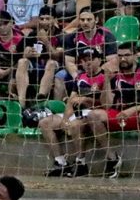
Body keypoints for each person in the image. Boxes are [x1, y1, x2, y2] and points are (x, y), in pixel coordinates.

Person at [85, 43, 140, 180]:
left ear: (135, 56)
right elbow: (106, 104)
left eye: (126, 55)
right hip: (121, 115)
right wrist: (107, 82)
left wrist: (132, 110)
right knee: (93, 115)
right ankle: (112, 158)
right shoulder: (114, 76)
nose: (122, 59)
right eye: (120, 56)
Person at [39, 47, 106, 178]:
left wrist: (86, 99)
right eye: (84, 60)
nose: (87, 63)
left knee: (75, 125)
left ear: (99, 60)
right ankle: (61, 163)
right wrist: (65, 119)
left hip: (94, 113)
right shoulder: (80, 77)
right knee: (45, 123)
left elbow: (106, 103)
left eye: (91, 59)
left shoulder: (105, 77)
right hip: (77, 112)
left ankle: (81, 163)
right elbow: (71, 100)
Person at [14, 10, 62, 108]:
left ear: (54, 20)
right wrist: (26, 54)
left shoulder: (61, 35)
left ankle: (41, 97)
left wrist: (46, 41)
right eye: (42, 19)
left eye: (47, 19)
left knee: (51, 63)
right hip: (35, 67)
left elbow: (57, 56)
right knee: (22, 61)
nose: (44, 21)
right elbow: (17, 54)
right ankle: (21, 103)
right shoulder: (33, 34)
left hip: (54, 69)